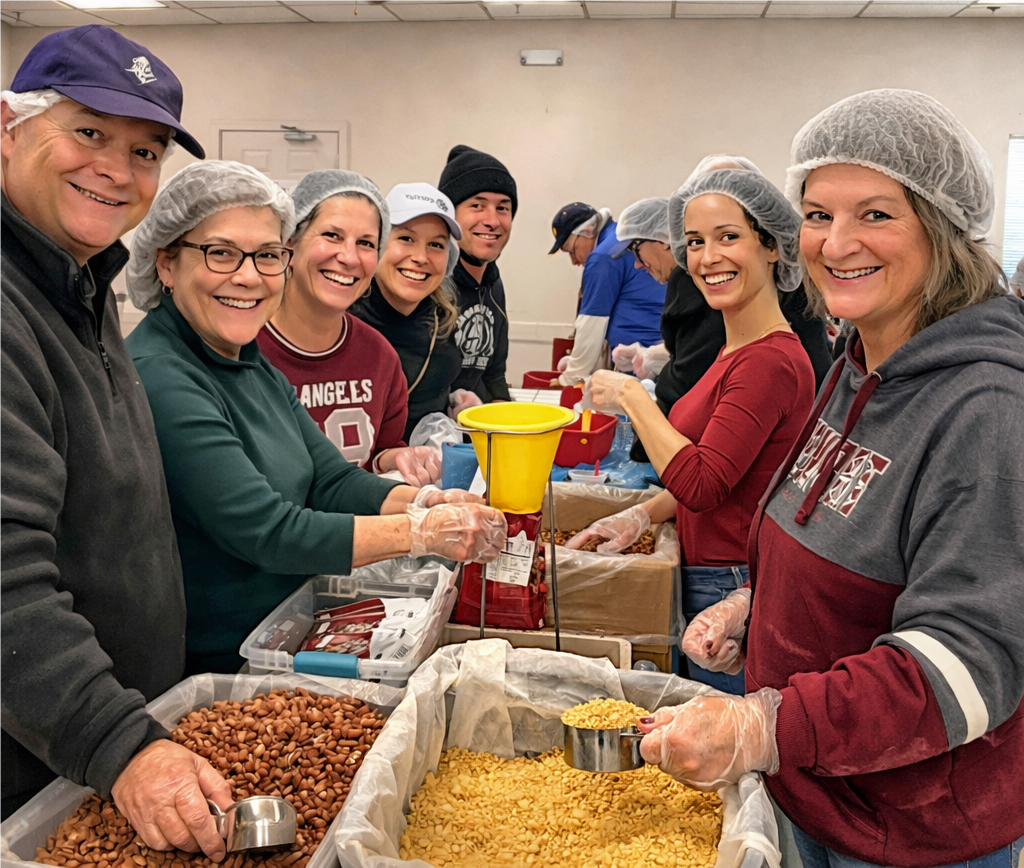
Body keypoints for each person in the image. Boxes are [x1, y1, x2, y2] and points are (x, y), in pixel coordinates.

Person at [649, 90, 1024, 867]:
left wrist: (763, 725)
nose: (836, 241)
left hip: (907, 829)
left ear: (945, 226)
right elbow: (850, 536)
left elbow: (969, 664)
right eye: (817, 214)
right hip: (816, 791)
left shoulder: (987, 406)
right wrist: (763, 608)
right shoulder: (859, 362)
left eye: (877, 214)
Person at [0, 23, 239, 860]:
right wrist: (121, 743)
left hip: (96, 749)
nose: (116, 169)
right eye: (89, 132)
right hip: (35, 761)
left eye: (144, 151)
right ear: (9, 126)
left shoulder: (78, 278)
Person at [125, 162, 506, 676]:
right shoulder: (164, 374)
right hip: (214, 661)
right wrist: (421, 531)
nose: (248, 275)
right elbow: (269, 531)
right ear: (166, 264)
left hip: (287, 631)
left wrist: (426, 499)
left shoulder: (243, 359)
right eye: (220, 253)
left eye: (265, 256)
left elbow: (331, 479)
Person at [570, 169, 816, 696]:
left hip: (731, 587)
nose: (708, 258)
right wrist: (639, 515)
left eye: (729, 237)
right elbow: (717, 469)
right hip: (707, 570)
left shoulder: (769, 362)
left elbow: (703, 483)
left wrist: (636, 399)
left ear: (772, 246)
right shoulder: (735, 351)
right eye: (696, 242)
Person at [258, 170, 442, 486]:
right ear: (290, 242)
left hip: (360, 531)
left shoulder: (379, 357)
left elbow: (378, 453)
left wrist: (397, 459)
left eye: (366, 243)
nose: (349, 257)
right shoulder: (245, 347)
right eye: (332, 235)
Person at [350, 182, 479, 440]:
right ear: (376, 244)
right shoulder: (344, 319)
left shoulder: (442, 318)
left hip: (429, 472)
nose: (421, 257)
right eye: (406, 238)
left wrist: (453, 401)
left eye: (436, 245)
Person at [548, 201, 665, 386]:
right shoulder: (619, 239)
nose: (574, 261)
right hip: (655, 357)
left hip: (644, 368)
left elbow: (592, 325)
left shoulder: (603, 256)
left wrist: (570, 379)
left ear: (586, 231)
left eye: (572, 251)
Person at [438, 144, 516, 403]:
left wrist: (505, 418)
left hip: (471, 431)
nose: (493, 220)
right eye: (477, 205)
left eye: (503, 208)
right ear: (450, 215)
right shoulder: (430, 283)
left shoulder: (492, 282)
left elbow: (494, 372)